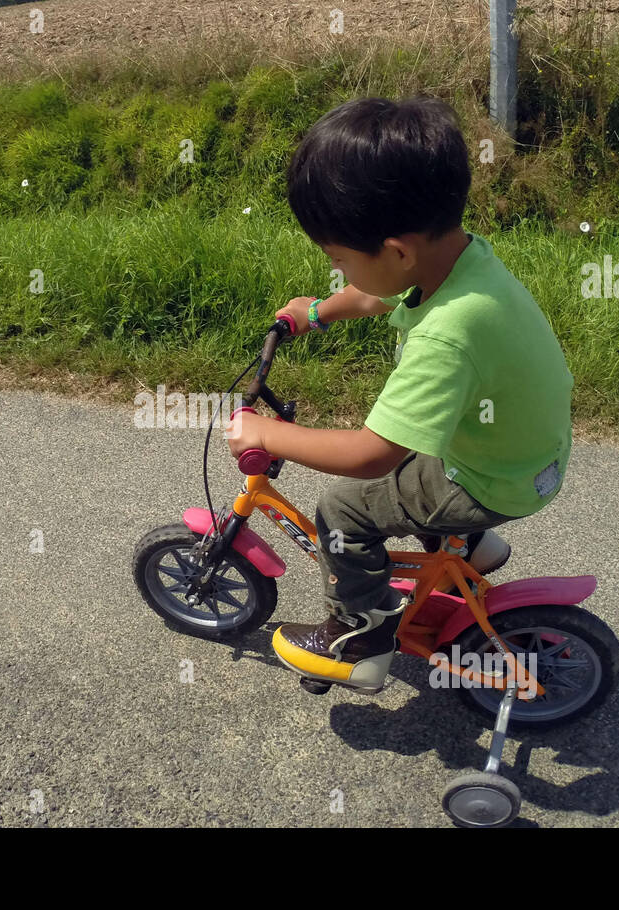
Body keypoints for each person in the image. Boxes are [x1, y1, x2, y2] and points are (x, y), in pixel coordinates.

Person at [224, 96, 574, 693]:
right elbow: (380, 294)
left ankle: (360, 635)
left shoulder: (448, 336)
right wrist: (317, 310)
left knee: (346, 508)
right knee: (414, 460)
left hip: (489, 476)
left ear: (396, 251)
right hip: (520, 450)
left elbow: (372, 453)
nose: (341, 273)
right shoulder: (457, 262)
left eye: (339, 261)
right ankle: (466, 547)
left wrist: (268, 433)